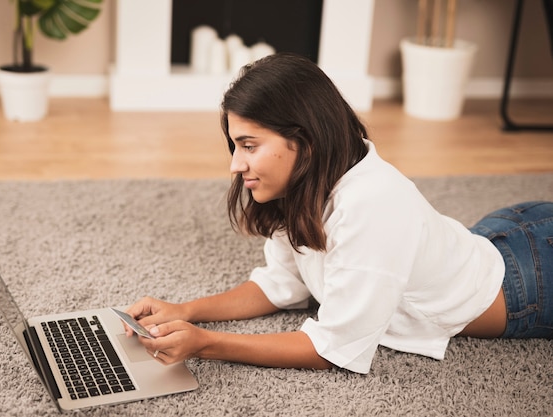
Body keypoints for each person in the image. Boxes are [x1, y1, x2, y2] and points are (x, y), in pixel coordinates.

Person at [124, 53, 553, 374]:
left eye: (249, 146)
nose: (235, 165)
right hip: (500, 234)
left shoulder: (373, 204)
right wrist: (185, 310)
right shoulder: (300, 182)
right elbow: (282, 285)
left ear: (305, 140)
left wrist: (205, 344)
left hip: (531, 278)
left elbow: (334, 349)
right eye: (235, 145)